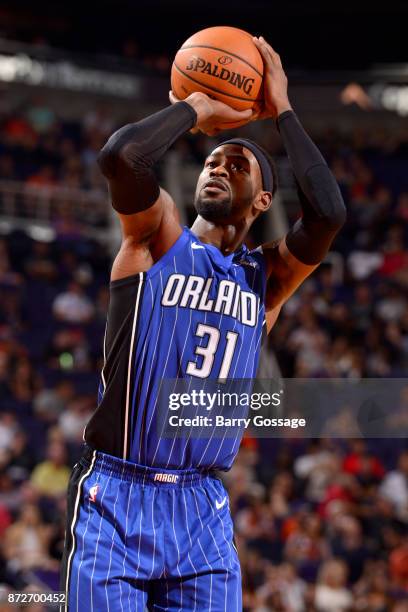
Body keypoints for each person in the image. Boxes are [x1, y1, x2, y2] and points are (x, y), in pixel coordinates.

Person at [61, 37, 346, 611]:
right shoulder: (156, 238)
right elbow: (123, 157)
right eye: (214, 160)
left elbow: (329, 214)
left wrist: (283, 106)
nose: (218, 166)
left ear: (263, 199)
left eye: (237, 165)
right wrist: (198, 109)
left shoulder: (266, 278)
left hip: (201, 510)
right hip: (116, 489)